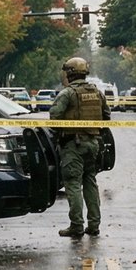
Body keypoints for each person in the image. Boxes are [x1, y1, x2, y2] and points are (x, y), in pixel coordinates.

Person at [48, 55, 110, 238]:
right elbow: (106, 116)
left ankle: (76, 225)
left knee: (73, 184)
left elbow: (54, 116)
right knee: (90, 182)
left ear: (70, 73)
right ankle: (94, 224)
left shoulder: (68, 93)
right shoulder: (97, 92)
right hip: (94, 144)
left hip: (73, 145)